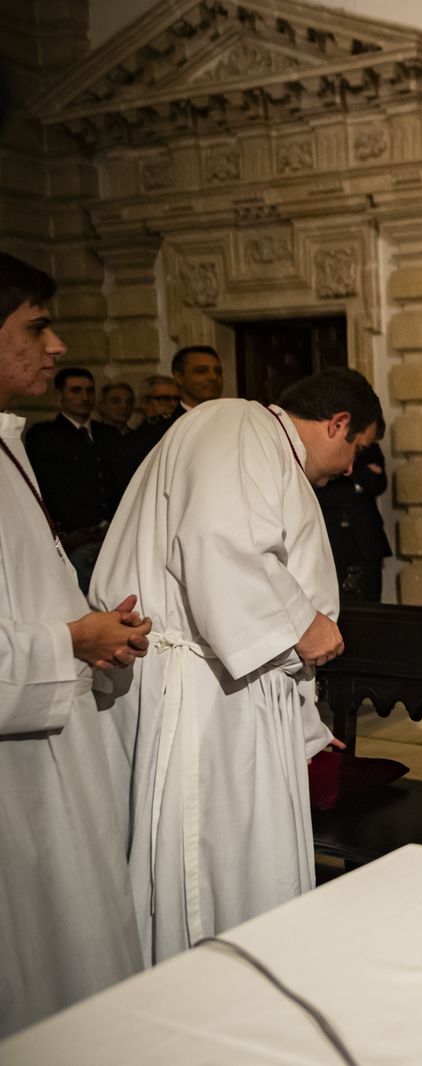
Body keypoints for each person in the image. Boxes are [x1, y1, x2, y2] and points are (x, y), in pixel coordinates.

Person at [90, 367, 380, 964]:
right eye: (358, 448)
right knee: (210, 874)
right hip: (208, 695)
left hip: (240, 688)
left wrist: (308, 733)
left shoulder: (263, 446)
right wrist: (304, 622)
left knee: (250, 870)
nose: (352, 467)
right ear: (338, 423)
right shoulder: (236, 421)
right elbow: (220, 540)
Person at [0, 252, 147, 1037]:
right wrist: (72, 640)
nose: (57, 349)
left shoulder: (7, 442)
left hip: (54, 765)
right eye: (36, 326)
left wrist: (94, 632)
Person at [24, 366, 110, 590]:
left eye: (89, 391)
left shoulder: (106, 433)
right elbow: (47, 486)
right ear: (59, 396)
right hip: (72, 537)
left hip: (110, 534)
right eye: (76, 390)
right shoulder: (45, 435)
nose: (84, 397)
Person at [315, 422, 392, 602]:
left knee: (371, 604)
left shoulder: (370, 448)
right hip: (332, 542)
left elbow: (378, 483)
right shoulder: (324, 449)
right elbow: (321, 494)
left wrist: (346, 469)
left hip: (366, 542)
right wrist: (355, 487)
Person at [105, 374, 181, 508]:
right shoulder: (133, 439)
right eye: (164, 399)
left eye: (176, 399)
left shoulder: (179, 429)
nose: (172, 404)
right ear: (145, 402)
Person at [171, 344, 224, 411]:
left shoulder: (235, 418)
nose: (213, 377)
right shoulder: (172, 421)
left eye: (218, 371)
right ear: (179, 377)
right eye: (201, 371)